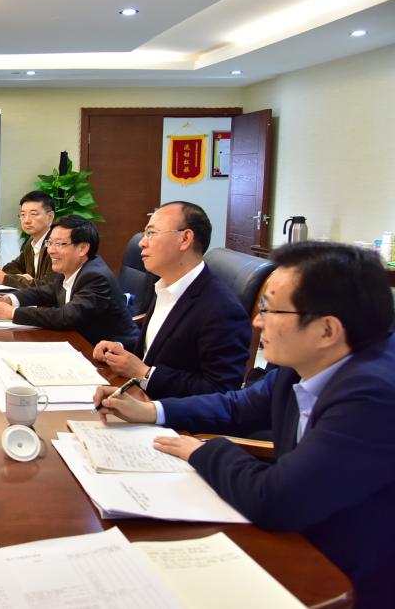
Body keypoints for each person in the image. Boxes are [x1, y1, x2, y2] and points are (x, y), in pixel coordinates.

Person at [94, 242, 395, 608]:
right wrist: (151, 411)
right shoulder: (304, 364)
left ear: (327, 330)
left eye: (270, 309)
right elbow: (237, 405)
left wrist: (205, 452)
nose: (257, 321)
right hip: (298, 537)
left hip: (345, 576)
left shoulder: (373, 395)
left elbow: (278, 499)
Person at [91, 201, 249, 398]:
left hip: (170, 413)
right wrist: (119, 349)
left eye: (151, 233)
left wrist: (145, 373)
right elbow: (160, 349)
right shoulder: (165, 285)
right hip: (138, 399)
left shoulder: (221, 308)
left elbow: (221, 392)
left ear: (185, 239)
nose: (142, 242)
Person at [0, 215, 139, 347]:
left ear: (82, 248)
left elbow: (67, 317)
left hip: (109, 354)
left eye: (59, 244)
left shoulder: (95, 277)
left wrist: (13, 312)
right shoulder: (69, 268)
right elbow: (44, 292)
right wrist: (10, 299)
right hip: (78, 342)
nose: (51, 250)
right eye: (50, 243)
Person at [0, 191, 56, 288]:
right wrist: (22, 278)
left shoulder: (56, 245)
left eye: (33, 214)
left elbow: (49, 288)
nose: (26, 220)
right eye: (23, 214)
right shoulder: (31, 242)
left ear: (50, 217)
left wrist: (7, 279)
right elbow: (10, 267)